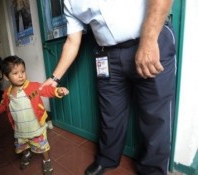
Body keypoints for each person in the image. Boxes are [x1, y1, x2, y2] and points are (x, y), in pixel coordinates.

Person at [40, 0, 176, 175]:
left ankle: (153, 171)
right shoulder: (69, 2)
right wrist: (54, 78)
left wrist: (149, 42)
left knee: (155, 117)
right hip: (106, 55)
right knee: (110, 113)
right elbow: (73, 41)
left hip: (151, 41)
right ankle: (107, 158)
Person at [0, 55, 69, 175]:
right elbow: (3, 107)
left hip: (36, 127)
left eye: (23, 71)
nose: (21, 75)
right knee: (23, 145)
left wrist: (57, 91)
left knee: (42, 146)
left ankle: (47, 160)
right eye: (15, 73)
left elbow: (46, 90)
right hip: (20, 130)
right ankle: (27, 154)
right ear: (7, 77)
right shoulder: (7, 94)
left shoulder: (33, 86)